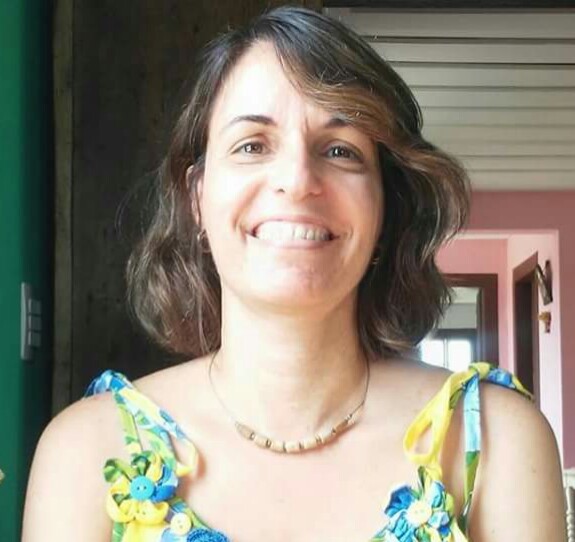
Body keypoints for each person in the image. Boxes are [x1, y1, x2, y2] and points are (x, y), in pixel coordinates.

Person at [23, 6, 566, 542]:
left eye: (340, 150)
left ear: (385, 206)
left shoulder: (496, 441)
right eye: (252, 145)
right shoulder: (88, 452)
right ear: (197, 198)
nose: (298, 179)